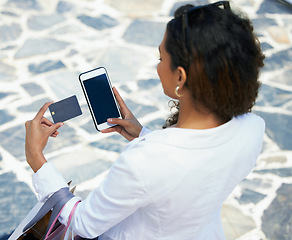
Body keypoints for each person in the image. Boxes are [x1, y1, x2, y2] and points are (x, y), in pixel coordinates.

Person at [25, 1, 265, 239]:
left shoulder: (143, 161)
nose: (158, 67)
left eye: (161, 58)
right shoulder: (252, 129)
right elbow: (192, 166)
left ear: (180, 76)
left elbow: (83, 224)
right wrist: (142, 134)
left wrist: (36, 157)